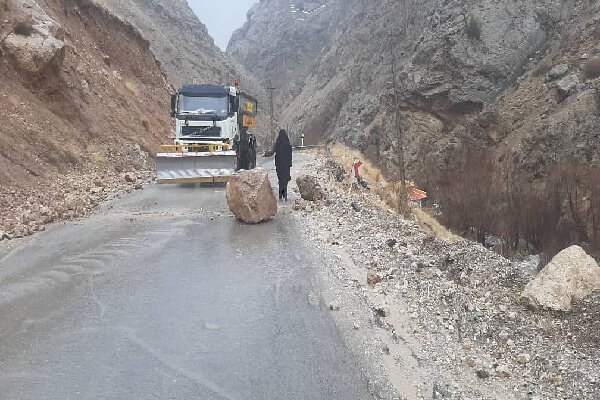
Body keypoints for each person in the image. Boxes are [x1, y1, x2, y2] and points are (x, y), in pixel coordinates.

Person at [274, 129, 293, 200]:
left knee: (280, 179)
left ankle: (280, 194)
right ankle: (285, 193)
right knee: (285, 179)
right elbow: (290, 155)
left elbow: (275, 153)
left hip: (279, 165)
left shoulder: (277, 143)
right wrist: (290, 163)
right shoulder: (288, 144)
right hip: (286, 165)